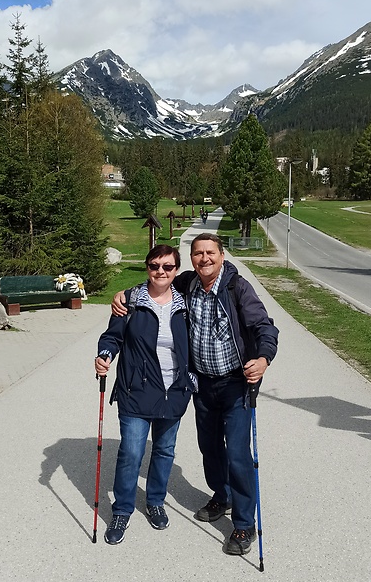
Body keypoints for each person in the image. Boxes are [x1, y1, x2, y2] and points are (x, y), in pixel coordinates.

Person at [112, 233, 278, 556]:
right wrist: (123, 295)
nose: (204, 259)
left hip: (235, 383)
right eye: (198, 253)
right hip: (202, 385)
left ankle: (244, 525)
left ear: (222, 255)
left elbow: (264, 327)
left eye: (210, 253)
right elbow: (157, 282)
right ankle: (222, 494)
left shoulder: (236, 288)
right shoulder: (187, 283)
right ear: (191, 259)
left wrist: (263, 358)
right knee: (210, 448)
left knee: (239, 455)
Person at [95, 244, 195, 546]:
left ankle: (154, 501)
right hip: (135, 391)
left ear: (176, 271)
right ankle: (122, 509)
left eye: (167, 267)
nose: (160, 272)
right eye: (154, 266)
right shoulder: (130, 302)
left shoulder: (186, 304)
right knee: (132, 452)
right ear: (147, 268)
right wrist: (104, 355)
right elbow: (112, 336)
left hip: (174, 391)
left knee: (165, 451)